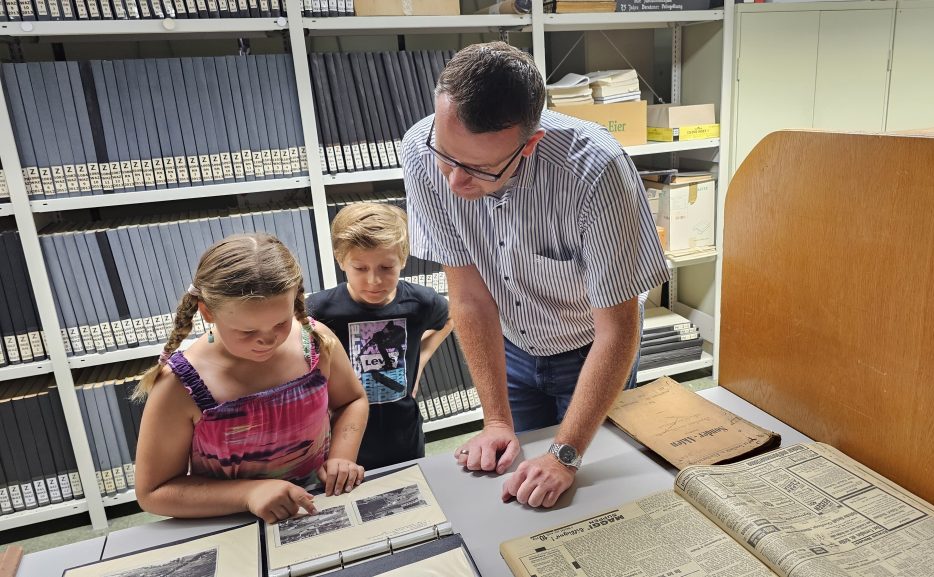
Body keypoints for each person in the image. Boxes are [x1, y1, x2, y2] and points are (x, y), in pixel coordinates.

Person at [400, 41, 671, 509]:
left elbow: (618, 328)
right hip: (510, 346)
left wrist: (565, 456)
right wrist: (495, 421)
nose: (454, 182)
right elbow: (468, 298)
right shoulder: (421, 150)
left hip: (590, 349)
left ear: (529, 144)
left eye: (479, 168)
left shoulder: (595, 170)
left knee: (589, 494)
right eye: (447, 155)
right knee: (519, 489)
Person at [133, 233, 369, 525]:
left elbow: (352, 401)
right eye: (246, 332)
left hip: (319, 504)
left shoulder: (316, 342)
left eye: (281, 322)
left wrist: (342, 457)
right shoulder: (178, 386)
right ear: (208, 312)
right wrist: (249, 493)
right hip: (231, 520)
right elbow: (153, 491)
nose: (267, 340)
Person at [308, 203, 453, 471]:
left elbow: (451, 318)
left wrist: (421, 358)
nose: (374, 280)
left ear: (404, 260)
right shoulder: (319, 310)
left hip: (404, 433)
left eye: (386, 267)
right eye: (360, 268)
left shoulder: (421, 302)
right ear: (341, 260)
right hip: (342, 439)